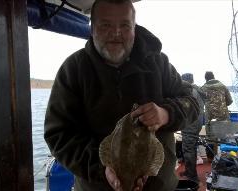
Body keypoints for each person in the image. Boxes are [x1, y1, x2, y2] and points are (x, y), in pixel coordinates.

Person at [44, 1, 200, 191]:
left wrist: (166, 113)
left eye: (125, 25)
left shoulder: (158, 64)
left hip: (159, 186)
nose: (116, 33)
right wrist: (103, 167)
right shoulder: (73, 69)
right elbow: (59, 135)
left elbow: (192, 102)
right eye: (106, 25)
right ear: (92, 28)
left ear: (134, 28)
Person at [201, 71, 233, 160]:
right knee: (225, 137)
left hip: (210, 118)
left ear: (206, 79)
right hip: (224, 117)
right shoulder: (223, 86)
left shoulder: (203, 88)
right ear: (214, 77)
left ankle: (211, 159)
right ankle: (227, 158)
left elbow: (200, 103)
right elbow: (230, 101)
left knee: (210, 138)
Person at [180, 73, 205, 184]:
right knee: (191, 147)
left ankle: (192, 176)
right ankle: (188, 171)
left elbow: (184, 108)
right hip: (196, 122)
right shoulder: (196, 90)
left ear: (185, 81)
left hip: (191, 123)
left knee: (188, 148)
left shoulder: (190, 91)